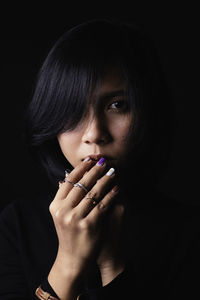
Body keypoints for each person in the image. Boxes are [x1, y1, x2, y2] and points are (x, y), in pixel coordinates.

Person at [0, 18, 199, 300]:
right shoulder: (16, 226)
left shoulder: (188, 235)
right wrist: (69, 262)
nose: (95, 134)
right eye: (73, 109)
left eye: (117, 105)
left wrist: (111, 263)